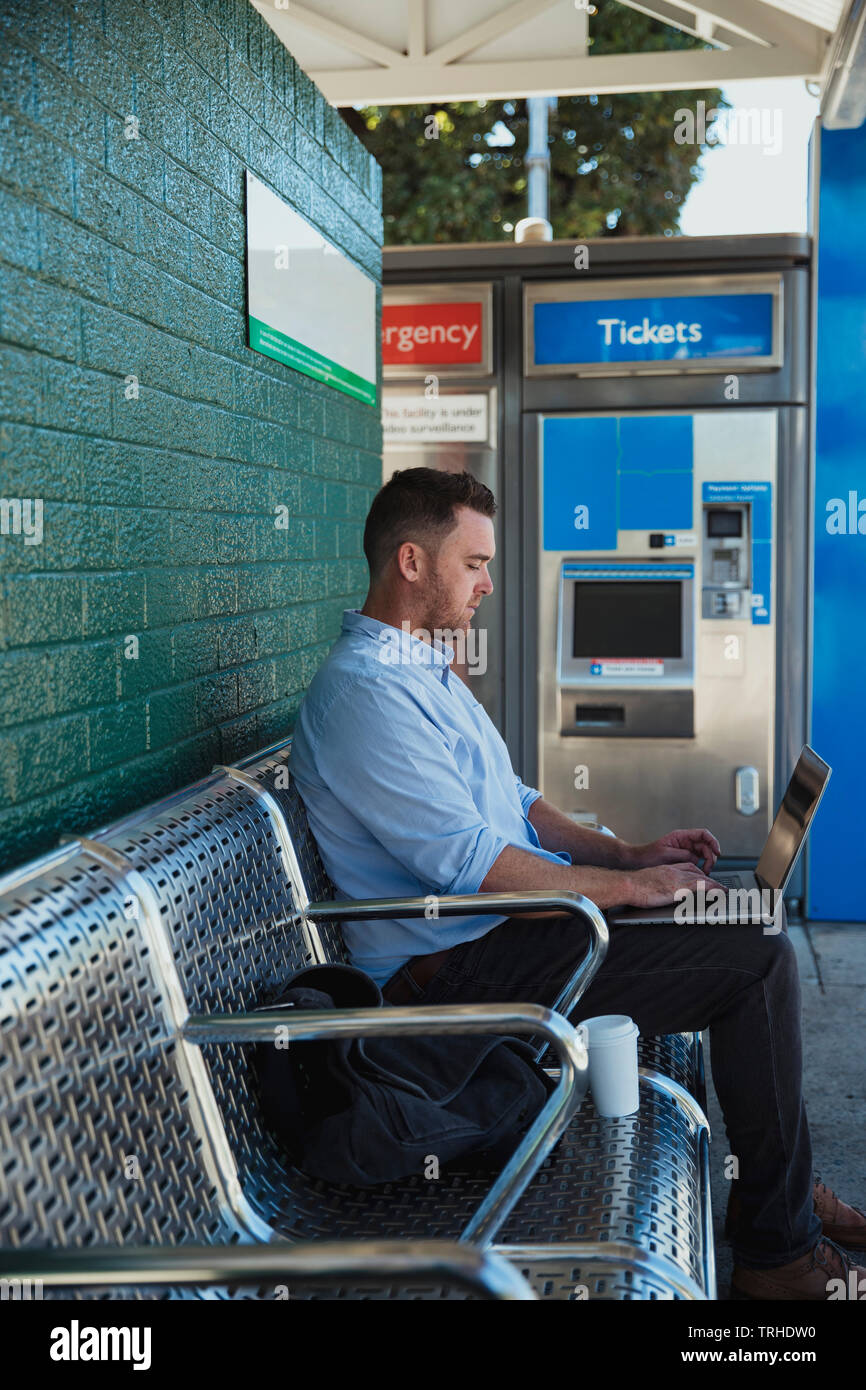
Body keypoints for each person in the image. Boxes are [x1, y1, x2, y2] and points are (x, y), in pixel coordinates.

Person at [290, 466, 866, 1301]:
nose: (488, 584)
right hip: (457, 973)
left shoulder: (422, 672)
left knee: (742, 917)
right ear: (412, 562)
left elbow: (518, 806)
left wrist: (631, 857)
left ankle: (777, 1185)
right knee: (755, 956)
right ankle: (779, 1254)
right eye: (475, 563)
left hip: (515, 934)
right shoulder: (365, 695)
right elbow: (467, 865)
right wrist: (626, 891)